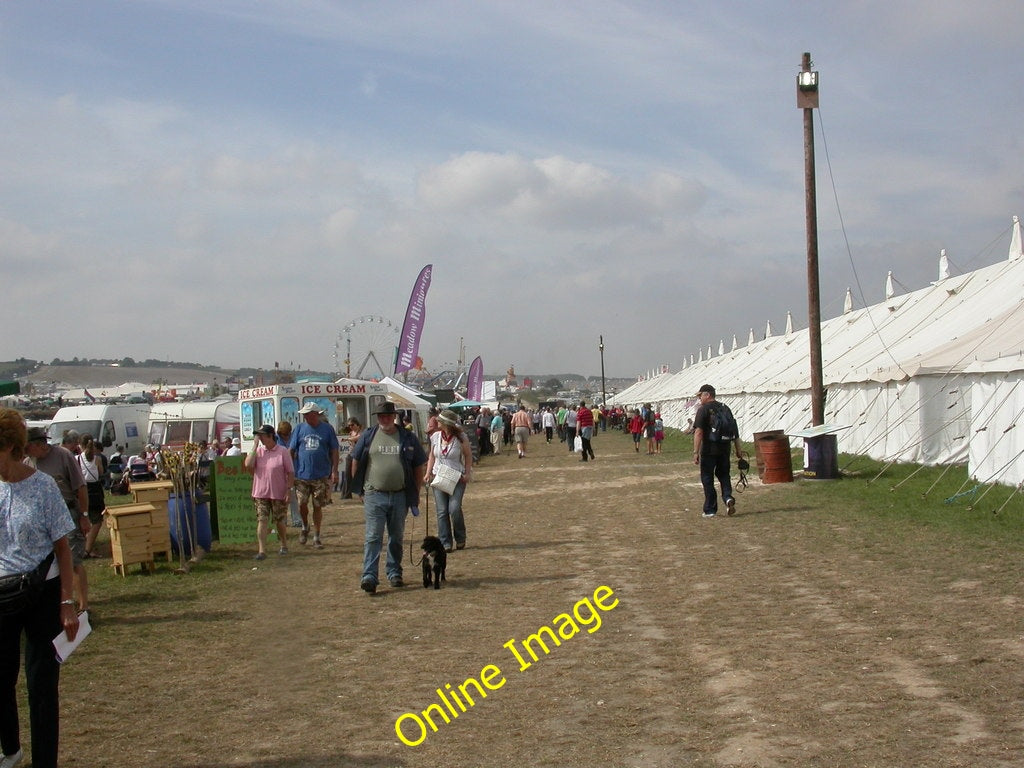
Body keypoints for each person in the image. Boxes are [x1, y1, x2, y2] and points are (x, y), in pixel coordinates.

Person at [0, 408, 80, 768]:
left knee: (41, 686)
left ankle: (44, 761)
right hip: (2, 594)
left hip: (43, 595)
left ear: (8, 448)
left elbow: (63, 550)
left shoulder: (43, 487)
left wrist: (67, 602)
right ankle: (11, 748)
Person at [350, 402, 427, 594]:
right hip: (374, 494)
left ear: (394, 416)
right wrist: (359, 489)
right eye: (380, 416)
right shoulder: (368, 436)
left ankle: (394, 572)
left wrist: (415, 493)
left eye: (387, 416)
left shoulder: (408, 437)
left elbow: (418, 466)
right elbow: (356, 460)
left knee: (396, 537)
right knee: (373, 536)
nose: (384, 419)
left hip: (400, 495)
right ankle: (369, 576)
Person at [23, 428, 90, 613]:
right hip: (43, 520)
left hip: (69, 514)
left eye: (26, 447)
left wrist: (84, 516)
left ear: (38, 445)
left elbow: (81, 487)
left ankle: (84, 606)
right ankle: (62, 600)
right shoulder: (28, 462)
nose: (24, 452)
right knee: (52, 564)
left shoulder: (63, 455)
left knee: (74, 561)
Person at [289, 403, 339, 548]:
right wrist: (289, 470)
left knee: (318, 506)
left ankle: (317, 536)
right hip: (301, 474)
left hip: (321, 474)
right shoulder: (299, 428)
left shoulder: (327, 429)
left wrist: (334, 471)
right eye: (304, 414)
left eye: (307, 414)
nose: (304, 416)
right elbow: (291, 450)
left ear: (315, 414)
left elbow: (334, 450)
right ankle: (305, 526)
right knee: (301, 504)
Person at [425, 409, 473, 553]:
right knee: (441, 511)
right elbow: (432, 457)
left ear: (446, 423)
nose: (436, 421)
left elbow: (468, 455)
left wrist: (467, 473)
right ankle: (445, 542)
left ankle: (460, 537)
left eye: (439, 420)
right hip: (439, 476)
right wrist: (428, 473)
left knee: (454, 508)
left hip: (456, 477)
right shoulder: (435, 437)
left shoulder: (461, 437)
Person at [692, 384, 744, 518]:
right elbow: (735, 431)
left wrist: (695, 452)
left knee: (707, 478)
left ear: (707, 395)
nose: (699, 399)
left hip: (709, 449)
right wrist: (739, 450)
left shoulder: (703, 410)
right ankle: (727, 497)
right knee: (724, 475)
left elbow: (698, 432)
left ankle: (710, 509)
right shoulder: (725, 408)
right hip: (725, 448)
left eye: (700, 395)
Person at [245, 424, 295, 560]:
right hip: (260, 493)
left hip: (278, 492)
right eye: (258, 435)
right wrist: (255, 446)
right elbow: (248, 465)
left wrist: (288, 490)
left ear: (270, 436)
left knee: (279, 521)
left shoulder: (282, 451)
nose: (260, 438)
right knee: (262, 519)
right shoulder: (259, 452)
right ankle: (262, 551)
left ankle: (284, 544)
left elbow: (290, 472)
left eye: (262, 435)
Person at [77, 435, 106, 558]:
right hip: (95, 491)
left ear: (80, 445)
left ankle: (85, 548)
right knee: (97, 521)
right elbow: (101, 473)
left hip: (81, 490)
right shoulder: (97, 459)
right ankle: (88, 549)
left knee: (83, 520)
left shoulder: (76, 459)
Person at [339, 417, 362, 499]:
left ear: (357, 424)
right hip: (351, 454)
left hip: (359, 455)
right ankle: (346, 494)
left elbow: (358, 438)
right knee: (347, 474)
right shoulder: (351, 432)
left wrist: (347, 439)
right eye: (349, 425)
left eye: (352, 425)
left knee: (357, 475)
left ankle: (361, 493)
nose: (351, 427)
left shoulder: (361, 432)